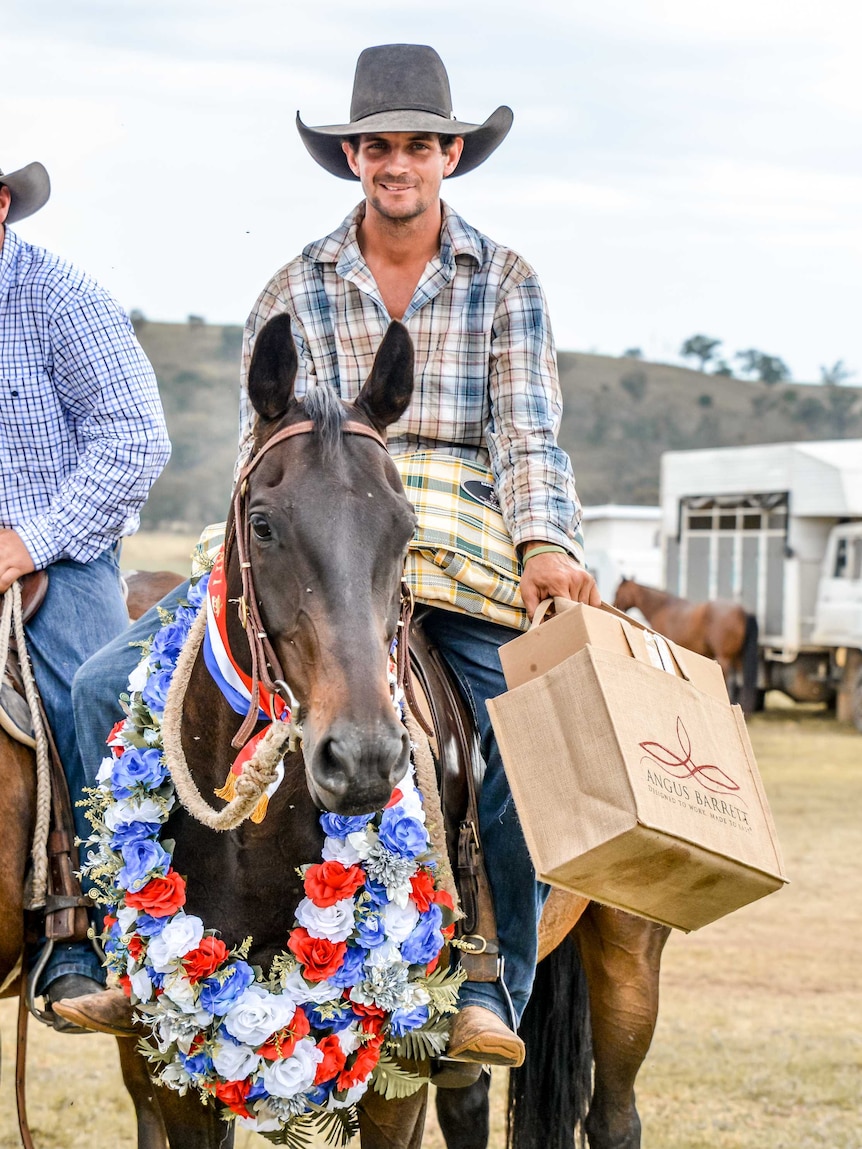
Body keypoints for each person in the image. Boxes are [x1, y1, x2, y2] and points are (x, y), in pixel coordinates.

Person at [56, 44, 600, 1067]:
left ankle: (487, 978)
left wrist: (543, 542)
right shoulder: (295, 282)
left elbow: (527, 433)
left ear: (450, 156)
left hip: (452, 542)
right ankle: (109, 944)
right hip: (306, 534)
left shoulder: (507, 281)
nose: (398, 162)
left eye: (419, 145)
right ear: (353, 157)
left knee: (521, 745)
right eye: (378, 145)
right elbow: (259, 445)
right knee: (96, 687)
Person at [0, 159, 171, 1027]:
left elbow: (136, 439)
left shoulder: (61, 298)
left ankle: (80, 932)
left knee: (92, 697)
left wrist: (26, 540)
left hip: (55, 554)